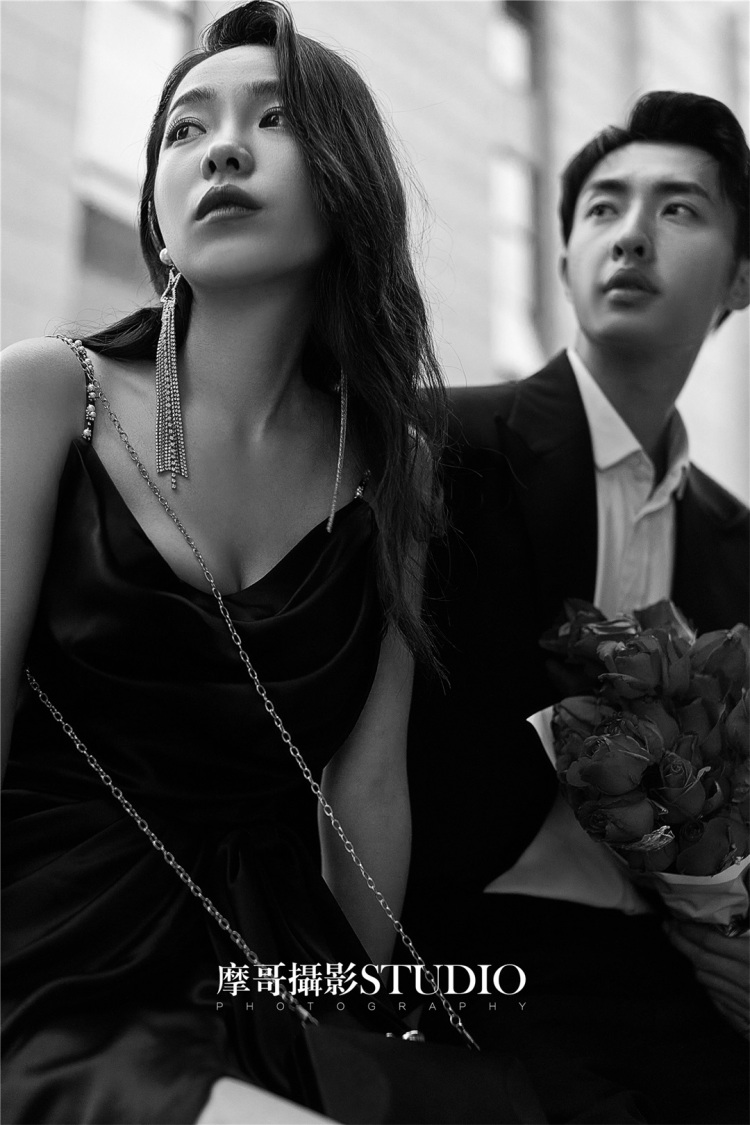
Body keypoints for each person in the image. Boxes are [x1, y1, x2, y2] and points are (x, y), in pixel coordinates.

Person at [1, 3, 451, 1121]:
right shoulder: (47, 394)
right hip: (54, 948)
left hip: (276, 958)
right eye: (186, 129)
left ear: (349, 186)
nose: (223, 151)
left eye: (275, 119)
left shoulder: (392, 467)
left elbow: (366, 787)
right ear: (158, 213)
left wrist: (364, 1024)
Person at [407, 91, 749, 1124]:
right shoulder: (439, 449)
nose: (632, 235)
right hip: (466, 959)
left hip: (671, 974)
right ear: (564, 263)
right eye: (604, 208)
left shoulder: (740, 544)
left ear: (740, 278)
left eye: (678, 209)